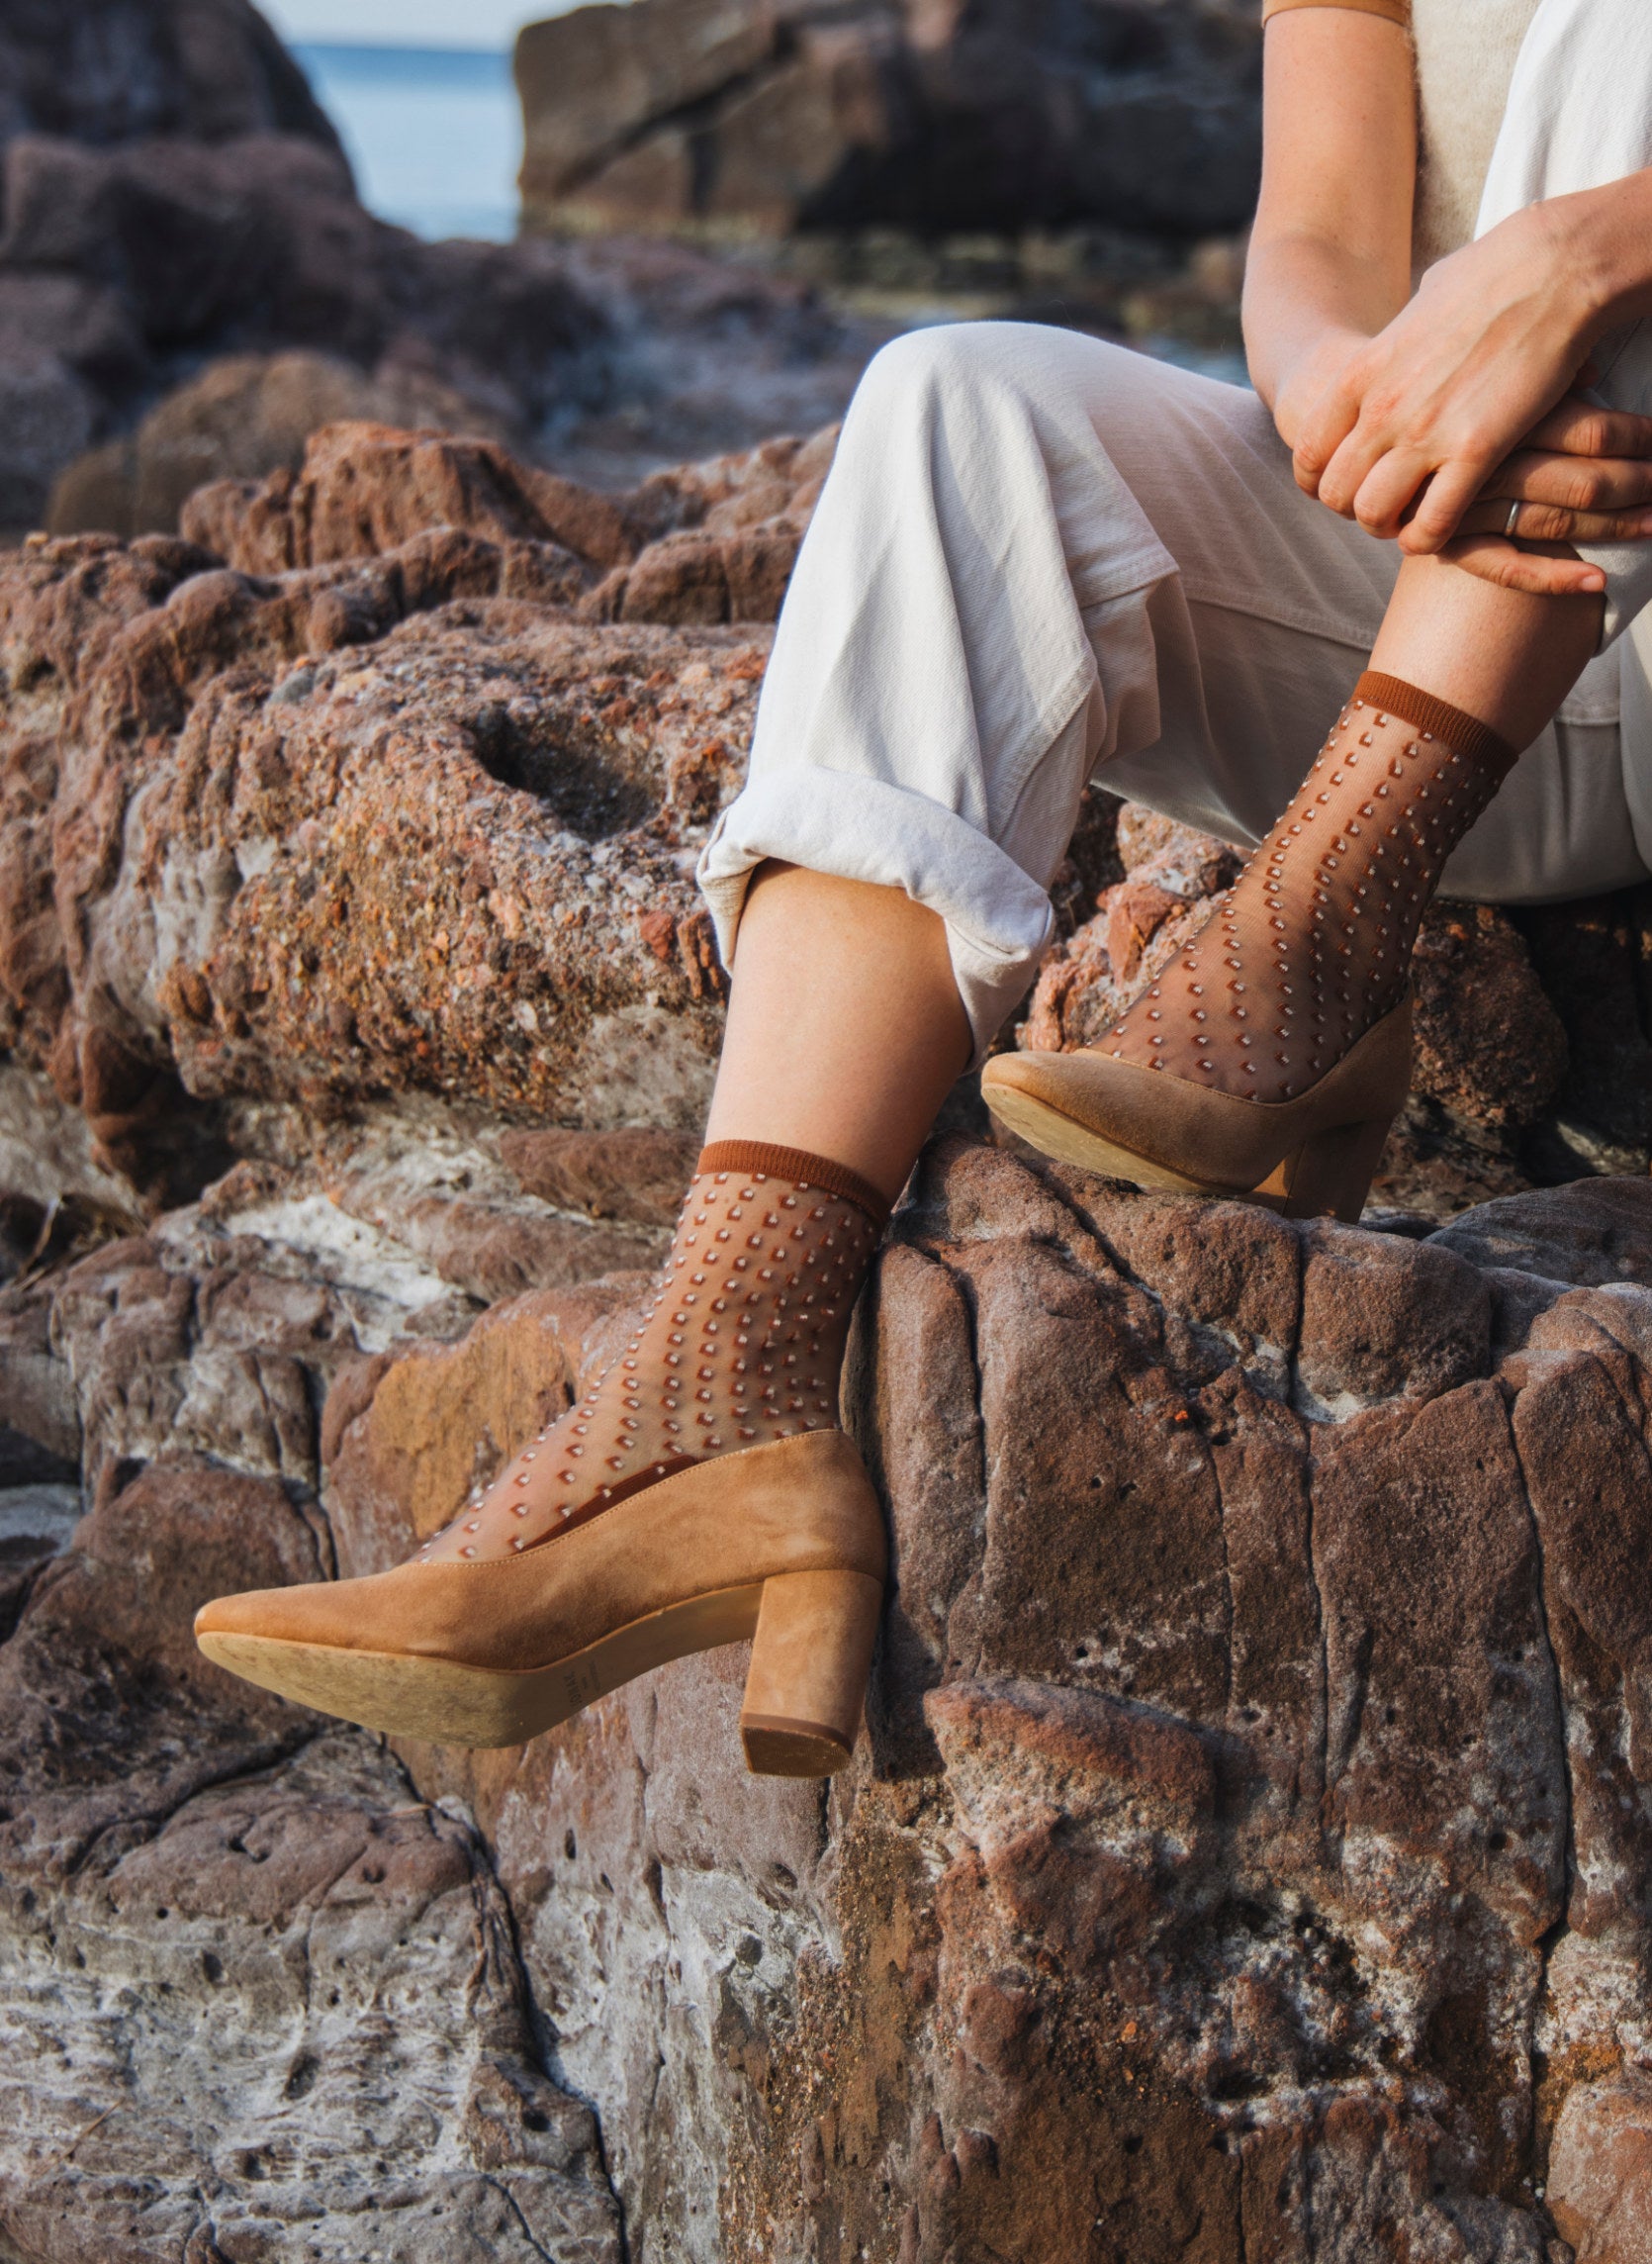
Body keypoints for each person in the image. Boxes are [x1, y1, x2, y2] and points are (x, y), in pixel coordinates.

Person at [197, 0, 1652, 1776]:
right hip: (1475, 640)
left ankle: (1319, 922)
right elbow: (1314, 248)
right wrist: (1342, 391)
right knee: (956, 399)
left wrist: (1589, 247)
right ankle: (720, 1387)